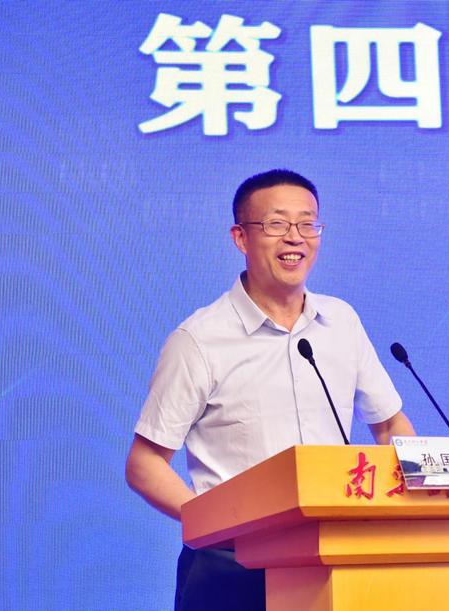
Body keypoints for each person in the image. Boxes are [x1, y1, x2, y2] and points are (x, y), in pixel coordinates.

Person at [125, 169, 416, 611]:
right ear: (240, 238)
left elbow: (390, 424)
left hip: (332, 558)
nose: (295, 237)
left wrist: (413, 500)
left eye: (307, 223)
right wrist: (218, 526)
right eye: (276, 224)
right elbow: (144, 464)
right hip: (231, 566)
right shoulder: (200, 339)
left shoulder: (341, 322)